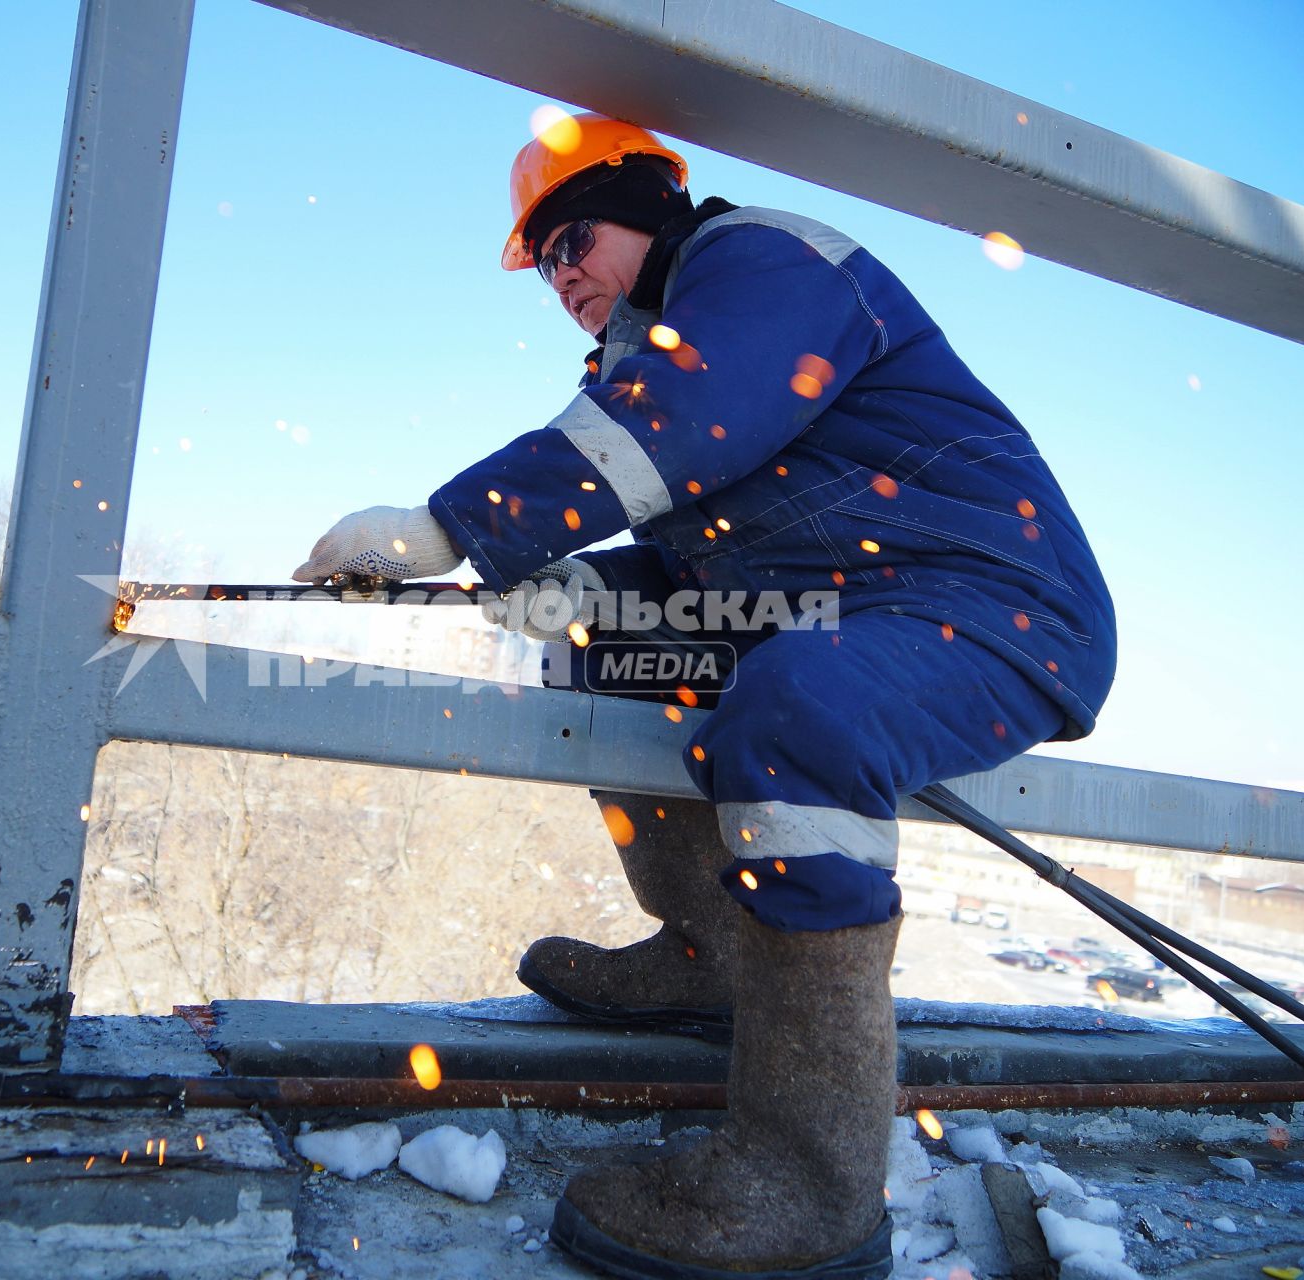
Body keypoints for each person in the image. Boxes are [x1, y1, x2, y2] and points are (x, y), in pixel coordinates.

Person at [293, 113, 1116, 1280]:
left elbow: (689, 412)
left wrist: (454, 525)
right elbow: (700, 565)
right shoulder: (645, 360)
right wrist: (583, 581)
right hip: (827, 615)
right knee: (601, 642)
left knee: (798, 716)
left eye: (571, 236)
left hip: (988, 606)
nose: (560, 273)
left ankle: (809, 1178)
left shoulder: (764, 264)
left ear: (645, 203)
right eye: (540, 263)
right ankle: (708, 950)